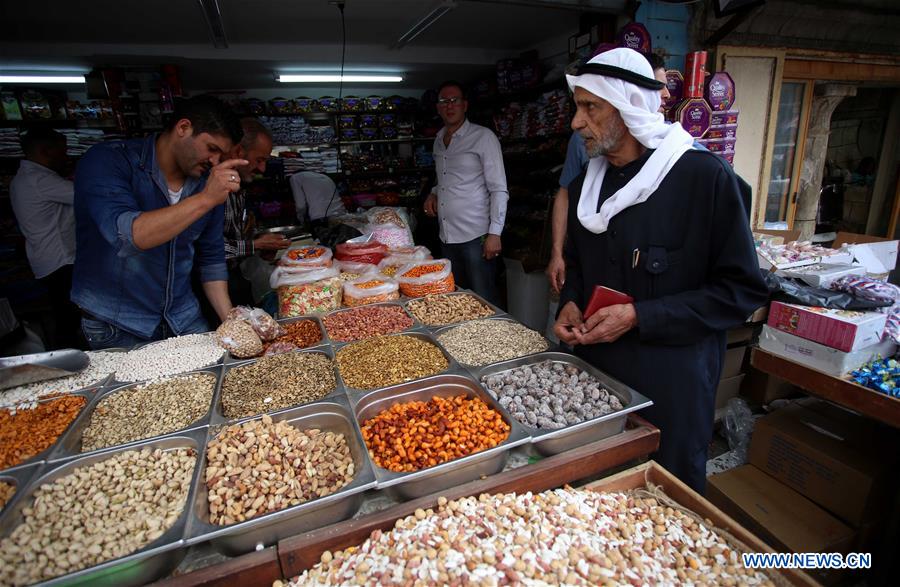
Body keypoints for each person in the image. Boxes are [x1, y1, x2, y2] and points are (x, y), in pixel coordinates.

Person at [552, 48, 768, 492]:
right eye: (578, 108)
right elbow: (577, 264)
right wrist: (571, 300)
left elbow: (740, 291)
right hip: (597, 381)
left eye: (590, 108)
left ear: (629, 108)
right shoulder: (582, 188)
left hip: (671, 385)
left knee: (667, 500)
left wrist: (640, 316)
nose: (576, 123)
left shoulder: (702, 179)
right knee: (597, 494)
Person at [72, 96, 246, 350]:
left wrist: (231, 321)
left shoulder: (204, 183)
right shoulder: (108, 161)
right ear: (183, 128)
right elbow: (130, 236)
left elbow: (211, 259)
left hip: (182, 316)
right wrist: (206, 199)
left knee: (208, 386)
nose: (215, 162)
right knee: (132, 391)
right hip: (117, 322)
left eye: (221, 155)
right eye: (211, 148)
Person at [423, 81, 508, 305]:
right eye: (444, 101)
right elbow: (445, 176)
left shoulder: (483, 137)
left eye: (454, 101)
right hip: (447, 235)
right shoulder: (439, 140)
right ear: (438, 107)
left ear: (465, 105)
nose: (449, 106)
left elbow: (498, 188)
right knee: (458, 298)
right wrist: (433, 193)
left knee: (483, 298)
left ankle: (495, 338)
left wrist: (495, 233)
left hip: (476, 236)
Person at [9, 128, 83, 349]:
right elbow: (86, 193)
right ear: (46, 151)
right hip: (60, 260)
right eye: (63, 150)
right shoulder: (38, 180)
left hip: (47, 257)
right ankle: (68, 363)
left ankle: (67, 359)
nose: (66, 156)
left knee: (65, 315)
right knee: (68, 318)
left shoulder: (23, 179)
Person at [222, 118, 289, 306]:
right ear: (238, 151)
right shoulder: (212, 190)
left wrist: (259, 247)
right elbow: (207, 250)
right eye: (259, 160)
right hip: (214, 285)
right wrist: (255, 245)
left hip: (235, 277)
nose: (262, 169)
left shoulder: (238, 190)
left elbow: (233, 236)